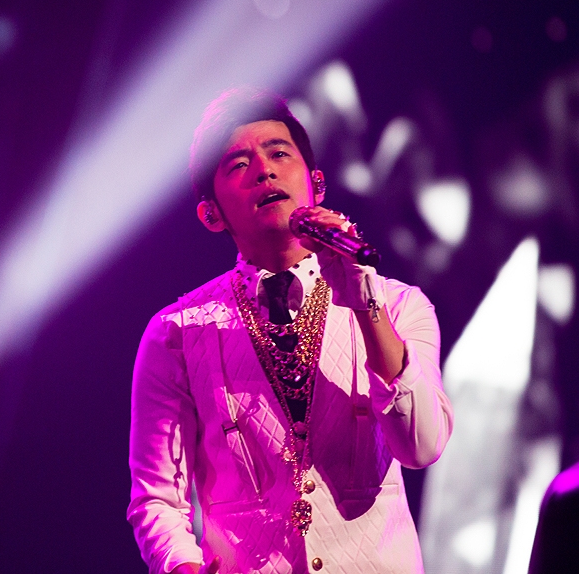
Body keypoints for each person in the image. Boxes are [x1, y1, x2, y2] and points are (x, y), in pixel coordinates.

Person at [127, 88, 453, 574]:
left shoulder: (401, 305)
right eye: (239, 165)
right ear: (211, 214)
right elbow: (157, 500)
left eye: (279, 154)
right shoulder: (175, 334)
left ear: (316, 184)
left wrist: (364, 301)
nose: (264, 171)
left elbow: (421, 445)